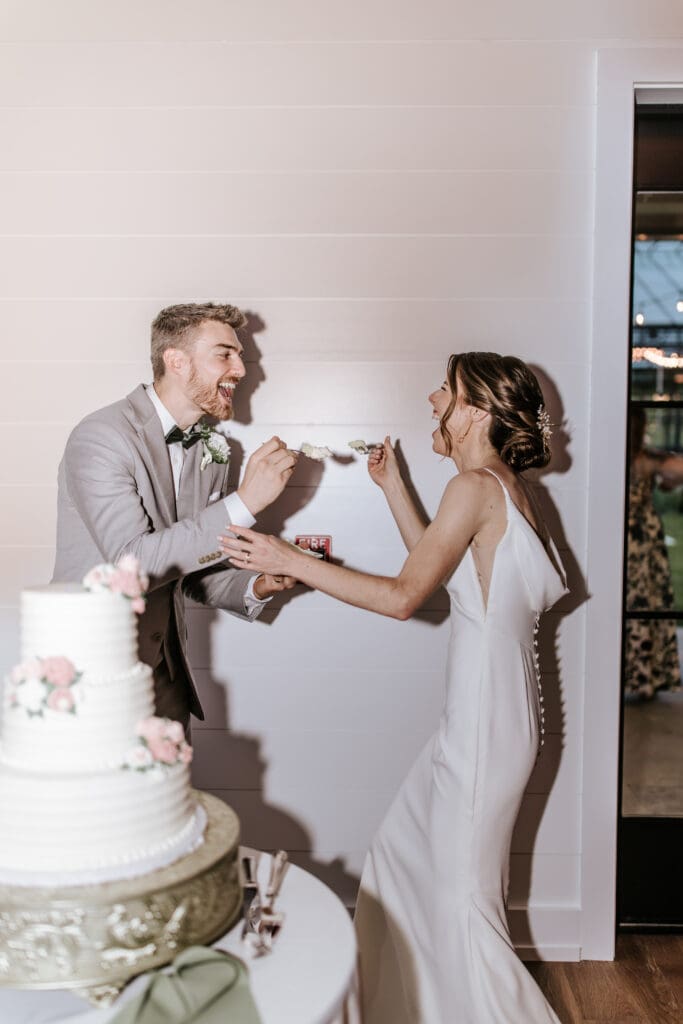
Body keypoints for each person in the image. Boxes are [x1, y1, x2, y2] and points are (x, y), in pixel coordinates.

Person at [220, 352, 568, 1023]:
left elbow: (408, 595)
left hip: (484, 720)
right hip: (495, 714)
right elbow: (445, 573)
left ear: (478, 410)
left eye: (446, 389)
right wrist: (391, 488)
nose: (432, 396)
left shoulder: (475, 487)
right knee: (403, 862)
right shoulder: (500, 488)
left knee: (461, 902)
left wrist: (289, 558)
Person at [53, 302, 297, 730]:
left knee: (168, 798)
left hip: (167, 676)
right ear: (176, 361)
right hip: (90, 673)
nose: (240, 369)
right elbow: (133, 565)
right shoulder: (102, 437)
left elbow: (192, 568)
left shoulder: (214, 451)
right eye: (225, 354)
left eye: (238, 355)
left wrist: (258, 583)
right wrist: (244, 504)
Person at [625, 407, 683, 699]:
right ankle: (644, 675)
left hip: (631, 537)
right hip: (642, 537)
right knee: (646, 600)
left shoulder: (638, 458)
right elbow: (677, 470)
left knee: (636, 602)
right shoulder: (646, 459)